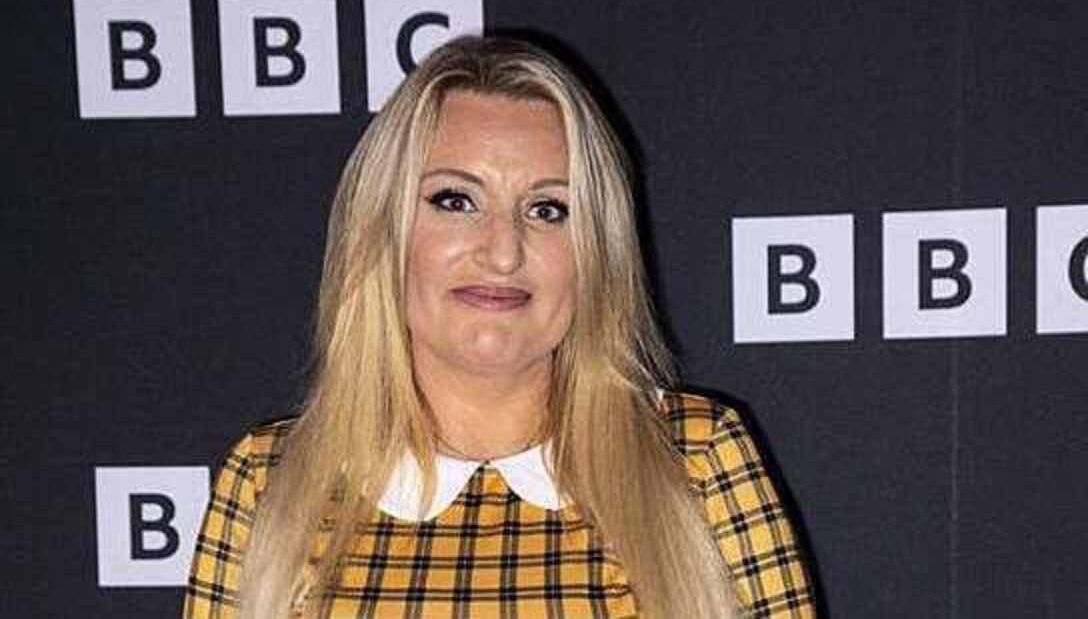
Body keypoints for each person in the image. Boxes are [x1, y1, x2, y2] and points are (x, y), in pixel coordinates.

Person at [183, 35, 815, 618]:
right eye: (456, 201)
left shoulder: (693, 460)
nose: (504, 252)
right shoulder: (271, 481)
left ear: (598, 251)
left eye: (548, 209)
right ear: (382, 230)